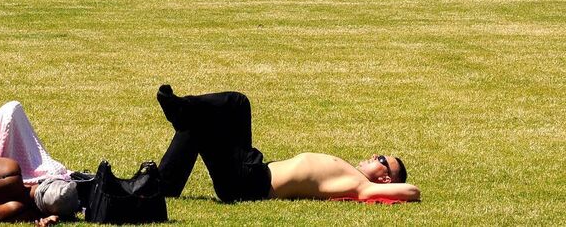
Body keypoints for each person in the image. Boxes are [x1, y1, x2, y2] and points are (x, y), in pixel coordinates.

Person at [156, 86, 420, 203]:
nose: (375, 155)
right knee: (222, 112)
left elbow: (413, 191)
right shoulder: (354, 177)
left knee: (235, 104)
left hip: (249, 183)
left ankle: (183, 108)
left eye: (382, 160)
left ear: (386, 179)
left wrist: (381, 187)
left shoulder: (361, 186)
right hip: (253, 170)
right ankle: (164, 184)